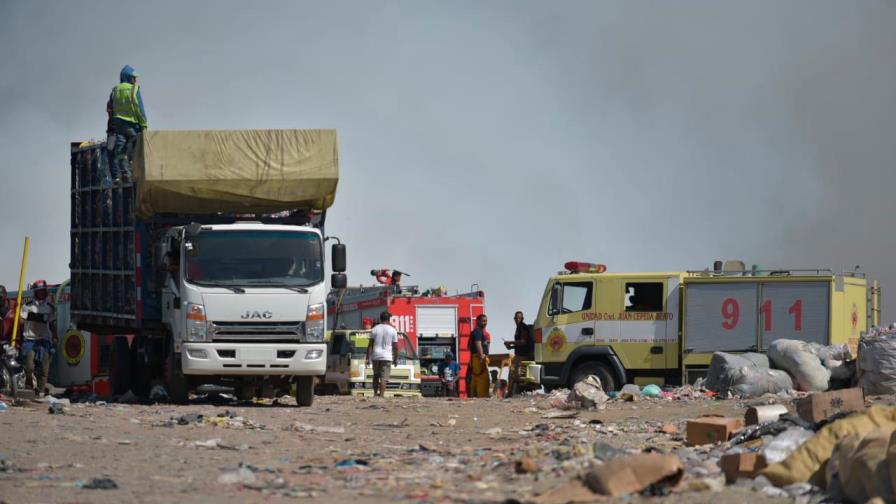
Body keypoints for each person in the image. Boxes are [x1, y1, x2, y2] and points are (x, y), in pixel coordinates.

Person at [107, 65, 147, 184]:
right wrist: (144, 125)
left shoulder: (114, 90)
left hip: (118, 125)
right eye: (134, 78)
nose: (135, 80)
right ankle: (134, 174)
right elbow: (139, 109)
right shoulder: (134, 89)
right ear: (128, 78)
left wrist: (112, 125)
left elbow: (111, 109)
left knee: (120, 151)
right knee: (136, 149)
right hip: (132, 125)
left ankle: (124, 173)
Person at [19, 280, 56, 397]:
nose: (40, 293)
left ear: (45, 292)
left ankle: (39, 391)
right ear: (35, 292)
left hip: (44, 340)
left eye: (42, 291)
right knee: (29, 366)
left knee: (44, 369)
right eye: (38, 291)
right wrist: (32, 317)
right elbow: (20, 321)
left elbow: (52, 324)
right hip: (29, 339)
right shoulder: (27, 306)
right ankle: (29, 383)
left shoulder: (50, 307)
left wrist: (55, 335)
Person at [366, 311, 398, 397]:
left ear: (380, 318)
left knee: (376, 375)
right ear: (389, 319)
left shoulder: (374, 329)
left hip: (376, 356)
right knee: (384, 378)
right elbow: (395, 347)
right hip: (387, 357)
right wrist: (395, 359)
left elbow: (370, 345)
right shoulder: (393, 330)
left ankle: (375, 394)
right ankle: (382, 395)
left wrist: (367, 358)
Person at [503, 311, 532, 397]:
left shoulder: (523, 327)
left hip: (522, 355)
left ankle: (509, 394)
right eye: (516, 318)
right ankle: (512, 393)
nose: (517, 320)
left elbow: (523, 342)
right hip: (519, 354)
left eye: (519, 318)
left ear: (522, 318)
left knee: (513, 374)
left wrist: (510, 342)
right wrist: (511, 346)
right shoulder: (518, 328)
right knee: (515, 375)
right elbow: (519, 344)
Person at [466, 314, 490, 398]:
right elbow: (478, 343)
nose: (485, 323)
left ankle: (475, 395)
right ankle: (482, 397)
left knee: (476, 378)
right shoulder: (478, 331)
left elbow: (468, 346)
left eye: (486, 321)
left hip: (475, 359)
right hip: (478, 359)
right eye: (483, 321)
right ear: (478, 321)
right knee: (483, 379)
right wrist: (482, 356)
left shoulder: (475, 332)